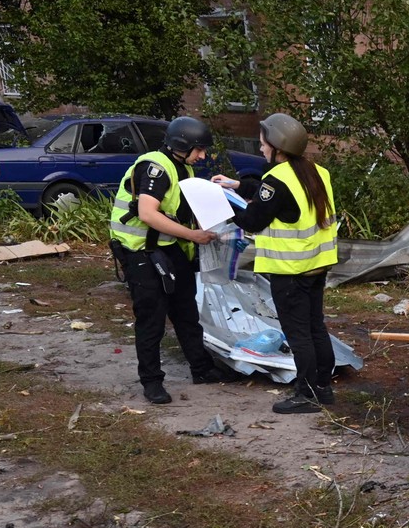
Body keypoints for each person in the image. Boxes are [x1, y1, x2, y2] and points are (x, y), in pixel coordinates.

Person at [213, 112, 338, 414]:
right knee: (315, 326)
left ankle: (305, 395)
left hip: (290, 270)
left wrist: (220, 202)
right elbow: (274, 197)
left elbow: (253, 220)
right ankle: (323, 388)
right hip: (316, 265)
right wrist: (236, 185)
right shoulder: (316, 171)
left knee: (298, 335)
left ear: (277, 145)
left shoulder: (276, 179)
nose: (260, 148)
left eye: (262, 143)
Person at [108, 115, 226, 404]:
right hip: (140, 251)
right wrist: (192, 234)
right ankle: (151, 382)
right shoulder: (155, 168)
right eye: (199, 150)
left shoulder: (182, 168)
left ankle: (201, 368)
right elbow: (148, 213)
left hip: (169, 248)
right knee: (152, 318)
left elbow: (179, 209)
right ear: (181, 145)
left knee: (186, 311)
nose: (203, 156)